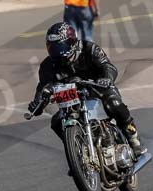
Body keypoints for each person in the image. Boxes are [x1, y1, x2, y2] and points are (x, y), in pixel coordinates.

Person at [27, 22, 145, 156]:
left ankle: (133, 138)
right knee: (56, 121)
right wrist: (37, 103)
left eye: (59, 46)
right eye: (52, 47)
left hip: (97, 88)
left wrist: (107, 78)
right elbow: (43, 87)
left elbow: (108, 66)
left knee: (114, 103)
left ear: (70, 42)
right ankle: (77, 154)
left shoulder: (90, 49)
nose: (55, 51)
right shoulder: (47, 65)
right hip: (73, 98)